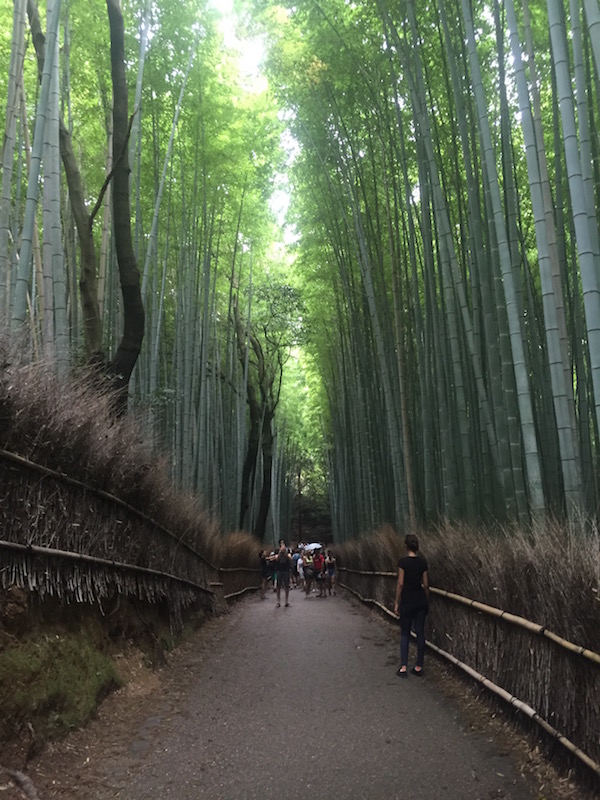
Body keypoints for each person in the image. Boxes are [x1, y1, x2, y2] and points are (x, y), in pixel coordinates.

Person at [393, 533, 429, 678]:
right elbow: (426, 584)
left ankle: (403, 667)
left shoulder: (403, 562)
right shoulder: (423, 562)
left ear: (406, 546)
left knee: (405, 634)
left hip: (407, 601)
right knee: (420, 632)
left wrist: (396, 602)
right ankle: (419, 666)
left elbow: (400, 583)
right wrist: (426, 599)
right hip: (420, 600)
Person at [269, 542, 293, 607]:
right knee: (278, 586)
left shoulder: (288, 553)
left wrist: (285, 553)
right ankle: (278, 601)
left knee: (286, 585)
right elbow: (276, 559)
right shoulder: (277, 553)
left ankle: (286, 601)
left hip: (286, 570)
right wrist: (280, 553)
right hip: (279, 570)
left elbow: (290, 558)